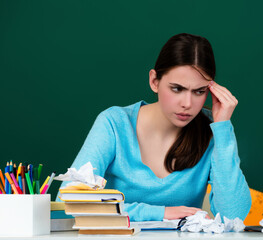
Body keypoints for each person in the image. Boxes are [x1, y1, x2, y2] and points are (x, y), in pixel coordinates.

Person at [58, 33, 251, 221]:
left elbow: (233, 216)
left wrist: (223, 129)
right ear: (154, 81)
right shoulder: (114, 123)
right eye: (177, 89)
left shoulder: (214, 129)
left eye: (199, 92)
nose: (187, 103)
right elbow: (68, 200)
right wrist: (160, 213)